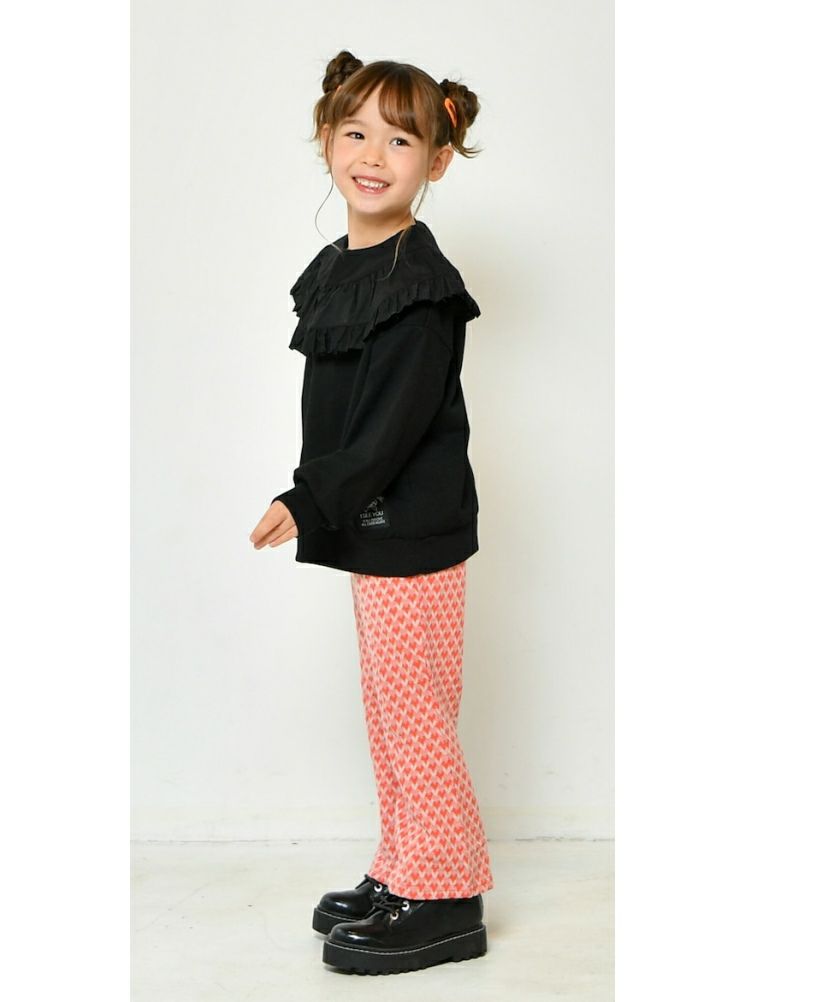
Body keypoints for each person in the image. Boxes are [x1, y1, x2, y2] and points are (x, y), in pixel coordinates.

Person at [248, 50, 493, 976]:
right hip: (374, 527)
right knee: (390, 711)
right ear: (326, 140)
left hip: (412, 531)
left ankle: (447, 895)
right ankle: (404, 868)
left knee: (415, 713)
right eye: (356, 133)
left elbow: (391, 426)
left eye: (401, 140)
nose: (373, 155)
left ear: (437, 161)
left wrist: (308, 497)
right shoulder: (349, 266)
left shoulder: (418, 285)